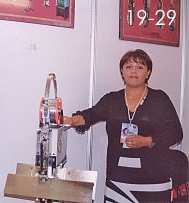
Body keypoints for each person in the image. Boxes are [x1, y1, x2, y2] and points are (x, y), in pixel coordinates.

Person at [64, 49, 187, 202]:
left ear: (148, 72)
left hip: (154, 181)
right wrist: (70, 120)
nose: (133, 71)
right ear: (122, 71)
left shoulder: (159, 99)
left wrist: (147, 140)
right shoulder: (112, 100)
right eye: (128, 67)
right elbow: (91, 114)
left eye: (140, 67)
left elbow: (176, 132)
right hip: (118, 180)